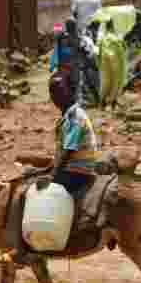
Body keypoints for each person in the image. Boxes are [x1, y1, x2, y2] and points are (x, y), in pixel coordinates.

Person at [48, 70, 101, 198]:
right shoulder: (68, 115)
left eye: (60, 91)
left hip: (77, 171)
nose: (56, 96)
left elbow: (69, 149)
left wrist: (54, 174)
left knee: (45, 192)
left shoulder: (75, 116)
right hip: (70, 167)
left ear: (71, 91)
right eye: (52, 92)